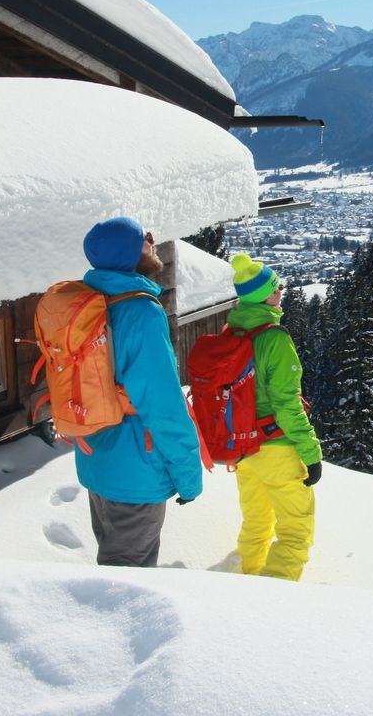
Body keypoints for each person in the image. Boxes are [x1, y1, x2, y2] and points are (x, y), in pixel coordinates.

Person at [76, 216, 202, 567]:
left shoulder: (90, 304)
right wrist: (189, 477)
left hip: (97, 459)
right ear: (130, 252)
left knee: (114, 566)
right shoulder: (140, 312)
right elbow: (163, 406)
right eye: (145, 237)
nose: (152, 241)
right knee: (126, 586)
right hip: (136, 470)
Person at [228, 252, 323, 581]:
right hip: (276, 447)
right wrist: (311, 453)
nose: (281, 290)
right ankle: (273, 607)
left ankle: (249, 577)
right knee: (296, 531)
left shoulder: (231, 331)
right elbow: (286, 404)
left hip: (243, 448)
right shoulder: (274, 339)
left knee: (256, 522)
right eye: (275, 287)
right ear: (262, 295)